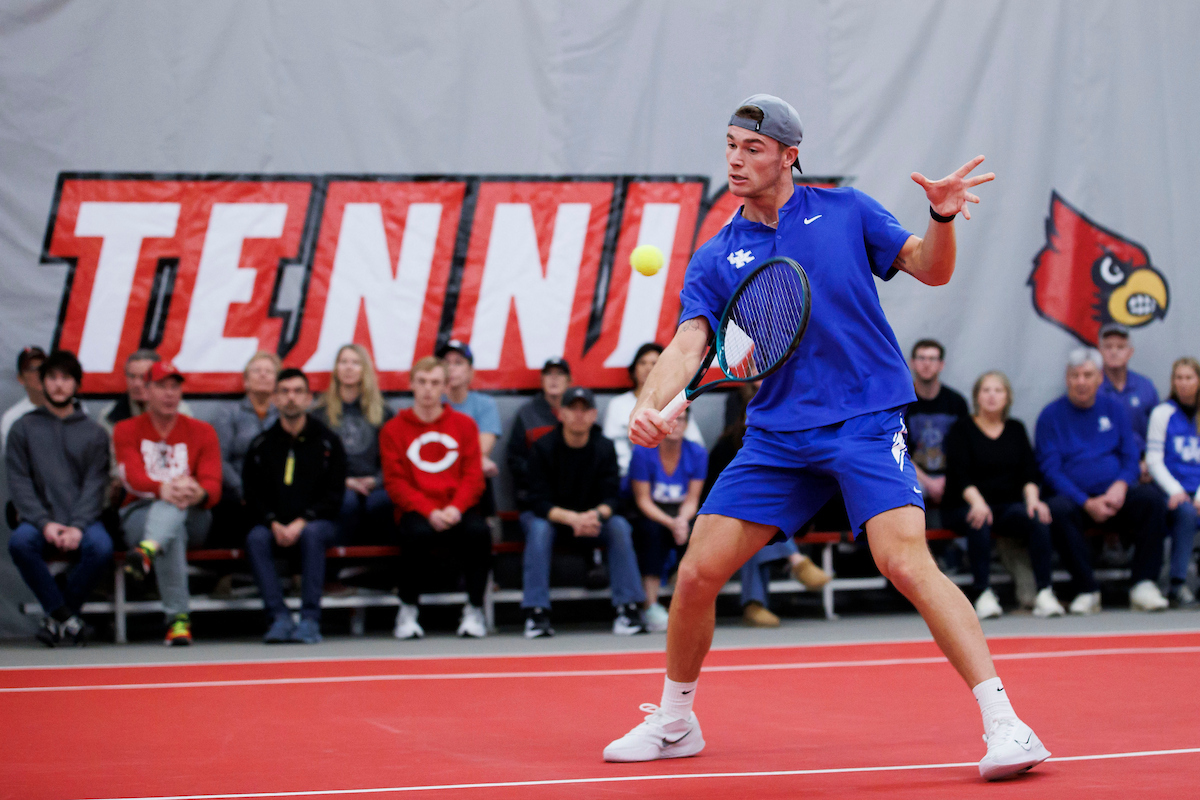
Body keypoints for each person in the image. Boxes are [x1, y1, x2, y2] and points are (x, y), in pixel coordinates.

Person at [604, 94, 1046, 781]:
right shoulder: (719, 254)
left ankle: (1008, 727)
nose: (736, 159)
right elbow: (693, 340)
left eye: (752, 148)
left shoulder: (846, 212)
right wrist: (650, 402)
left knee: (905, 562)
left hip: (865, 421)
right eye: (729, 145)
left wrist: (942, 215)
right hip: (778, 437)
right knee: (696, 574)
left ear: (789, 153)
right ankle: (674, 722)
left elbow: (931, 266)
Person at [1035, 348, 1169, 614]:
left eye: (1088, 375)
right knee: (1057, 510)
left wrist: (1120, 486)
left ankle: (1143, 584)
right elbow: (1050, 470)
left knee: (1152, 501)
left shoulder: (1115, 409)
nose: (1081, 381)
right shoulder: (1050, 415)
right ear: (1067, 379)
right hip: (1076, 502)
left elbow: (1131, 457)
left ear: (1099, 379)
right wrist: (1086, 502)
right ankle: (1087, 589)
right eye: (1075, 375)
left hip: (1115, 497)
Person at [522, 386, 646, 637]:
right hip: (553, 519)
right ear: (561, 414)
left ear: (593, 415)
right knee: (538, 528)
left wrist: (594, 516)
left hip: (593, 520)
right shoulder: (543, 447)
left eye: (585, 409)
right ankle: (536, 612)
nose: (579, 415)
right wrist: (572, 518)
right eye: (572, 409)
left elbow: (612, 498)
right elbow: (537, 500)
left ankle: (628, 608)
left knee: (620, 526)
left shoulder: (604, 447)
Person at [6, 350, 111, 646]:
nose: (59, 385)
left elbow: (95, 485)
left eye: (66, 378)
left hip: (84, 520)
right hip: (40, 520)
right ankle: (67, 617)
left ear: (77, 384)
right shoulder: (22, 428)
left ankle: (58, 617)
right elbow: (19, 482)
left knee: (101, 548)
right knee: (20, 543)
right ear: (42, 383)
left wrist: (77, 525)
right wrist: (44, 523)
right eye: (52, 377)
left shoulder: (94, 433)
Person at [380, 357, 490, 639]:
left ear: (445, 386)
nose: (428, 389)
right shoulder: (393, 429)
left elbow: (473, 476)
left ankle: (474, 609)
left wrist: (455, 508)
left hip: (457, 508)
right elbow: (395, 483)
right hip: (418, 510)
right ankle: (407, 609)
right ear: (411, 384)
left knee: (479, 532)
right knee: (414, 534)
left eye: (435, 383)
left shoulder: (464, 425)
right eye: (422, 382)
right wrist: (429, 511)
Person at [113, 361, 222, 645]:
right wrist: (166, 489)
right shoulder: (125, 429)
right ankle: (178, 620)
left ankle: (148, 551)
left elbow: (213, 485)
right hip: (140, 514)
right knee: (172, 529)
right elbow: (132, 478)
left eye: (175, 387)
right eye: (161, 386)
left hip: (194, 514)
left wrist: (196, 492)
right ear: (146, 390)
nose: (169, 394)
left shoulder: (203, 431)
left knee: (176, 509)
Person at [943, 372, 1063, 620]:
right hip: (964, 504)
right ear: (977, 396)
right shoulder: (962, 429)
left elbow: (1029, 472)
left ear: (1007, 397)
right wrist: (978, 503)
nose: (992, 396)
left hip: (1007, 506)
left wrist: (1033, 500)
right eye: (986, 390)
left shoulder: (1016, 429)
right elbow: (959, 475)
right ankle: (982, 593)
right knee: (979, 519)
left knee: (1038, 519)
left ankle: (1044, 592)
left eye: (998, 390)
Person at [242, 368, 346, 644]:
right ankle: (279, 617)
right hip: (274, 525)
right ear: (275, 398)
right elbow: (252, 495)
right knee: (256, 538)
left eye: (298, 391)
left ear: (309, 398)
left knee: (312, 535)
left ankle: (310, 619)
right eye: (285, 391)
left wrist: (303, 521)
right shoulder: (261, 445)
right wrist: (272, 521)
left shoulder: (328, 442)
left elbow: (335, 495)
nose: (291, 398)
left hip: (317, 524)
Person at [628, 406, 707, 631]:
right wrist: (670, 523)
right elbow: (642, 500)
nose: (676, 424)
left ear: (687, 424)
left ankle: (691, 605)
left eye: (681, 419)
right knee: (652, 533)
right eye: (671, 419)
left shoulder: (698, 453)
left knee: (699, 531)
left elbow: (693, 499)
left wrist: (681, 521)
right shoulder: (643, 452)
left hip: (682, 511)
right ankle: (650, 605)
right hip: (651, 512)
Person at [311, 344, 394, 542]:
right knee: (345, 502)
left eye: (355, 363)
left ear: (364, 369)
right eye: (343, 362)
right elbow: (312, 461)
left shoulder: (384, 412)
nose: (348, 368)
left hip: (375, 483)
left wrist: (377, 481)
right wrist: (343, 481)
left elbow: (394, 458)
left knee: (381, 503)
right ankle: (337, 566)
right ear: (336, 369)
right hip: (337, 484)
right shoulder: (318, 413)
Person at [1145, 357, 1200, 609]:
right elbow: (1154, 460)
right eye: (1179, 378)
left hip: (1198, 489)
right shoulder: (1162, 413)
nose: (1184, 383)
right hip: (1173, 490)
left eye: (1189, 377)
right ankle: (1177, 584)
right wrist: (1176, 490)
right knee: (1186, 513)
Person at [603, 343, 704, 478]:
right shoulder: (618, 404)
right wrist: (634, 469)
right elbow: (611, 445)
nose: (648, 368)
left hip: (670, 477)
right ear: (634, 369)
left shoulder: (677, 403)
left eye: (654, 363)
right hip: (627, 474)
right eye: (642, 363)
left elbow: (695, 443)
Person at [210, 351, 280, 545]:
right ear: (246, 381)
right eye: (257, 371)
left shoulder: (286, 414)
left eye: (269, 371)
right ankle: (225, 572)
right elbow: (219, 459)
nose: (263, 375)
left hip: (279, 491)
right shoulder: (228, 413)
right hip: (237, 490)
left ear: (277, 381)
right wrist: (242, 490)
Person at [906, 339, 970, 521]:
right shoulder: (901, 403)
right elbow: (896, 451)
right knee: (905, 491)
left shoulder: (957, 402)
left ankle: (958, 548)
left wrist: (947, 479)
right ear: (913, 363)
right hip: (913, 475)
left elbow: (965, 450)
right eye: (922, 358)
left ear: (941, 365)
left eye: (932, 359)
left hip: (951, 475)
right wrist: (928, 482)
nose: (927, 364)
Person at [438, 339, 502, 515]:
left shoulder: (485, 404)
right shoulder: (430, 403)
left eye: (458, 363)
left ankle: (488, 527)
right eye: (446, 363)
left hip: (468, 474)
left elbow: (482, 451)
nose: (451, 368)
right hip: (433, 473)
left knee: (481, 470)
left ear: (471, 372)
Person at [507, 357, 570, 511]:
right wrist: (541, 475)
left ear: (570, 380)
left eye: (560, 374)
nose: (554, 378)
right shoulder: (526, 413)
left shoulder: (579, 412)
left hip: (573, 496)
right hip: (536, 496)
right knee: (540, 529)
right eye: (549, 374)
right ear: (541, 380)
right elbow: (514, 459)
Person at [1097, 322, 1159, 456]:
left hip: (1143, 460)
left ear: (1130, 352)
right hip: (1106, 461)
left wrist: (1149, 462)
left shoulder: (1145, 386)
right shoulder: (1091, 388)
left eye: (1120, 347)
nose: (1114, 352)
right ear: (1100, 351)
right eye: (1108, 347)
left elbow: (1158, 432)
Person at [98, 349, 194, 433]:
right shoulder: (109, 416)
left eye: (143, 376)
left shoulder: (181, 412)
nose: (137, 384)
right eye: (132, 376)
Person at [1, 346, 46, 453]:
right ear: (20, 378)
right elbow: (14, 463)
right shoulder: (12, 418)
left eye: (42, 366)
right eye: (31, 368)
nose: (38, 373)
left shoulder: (73, 407)